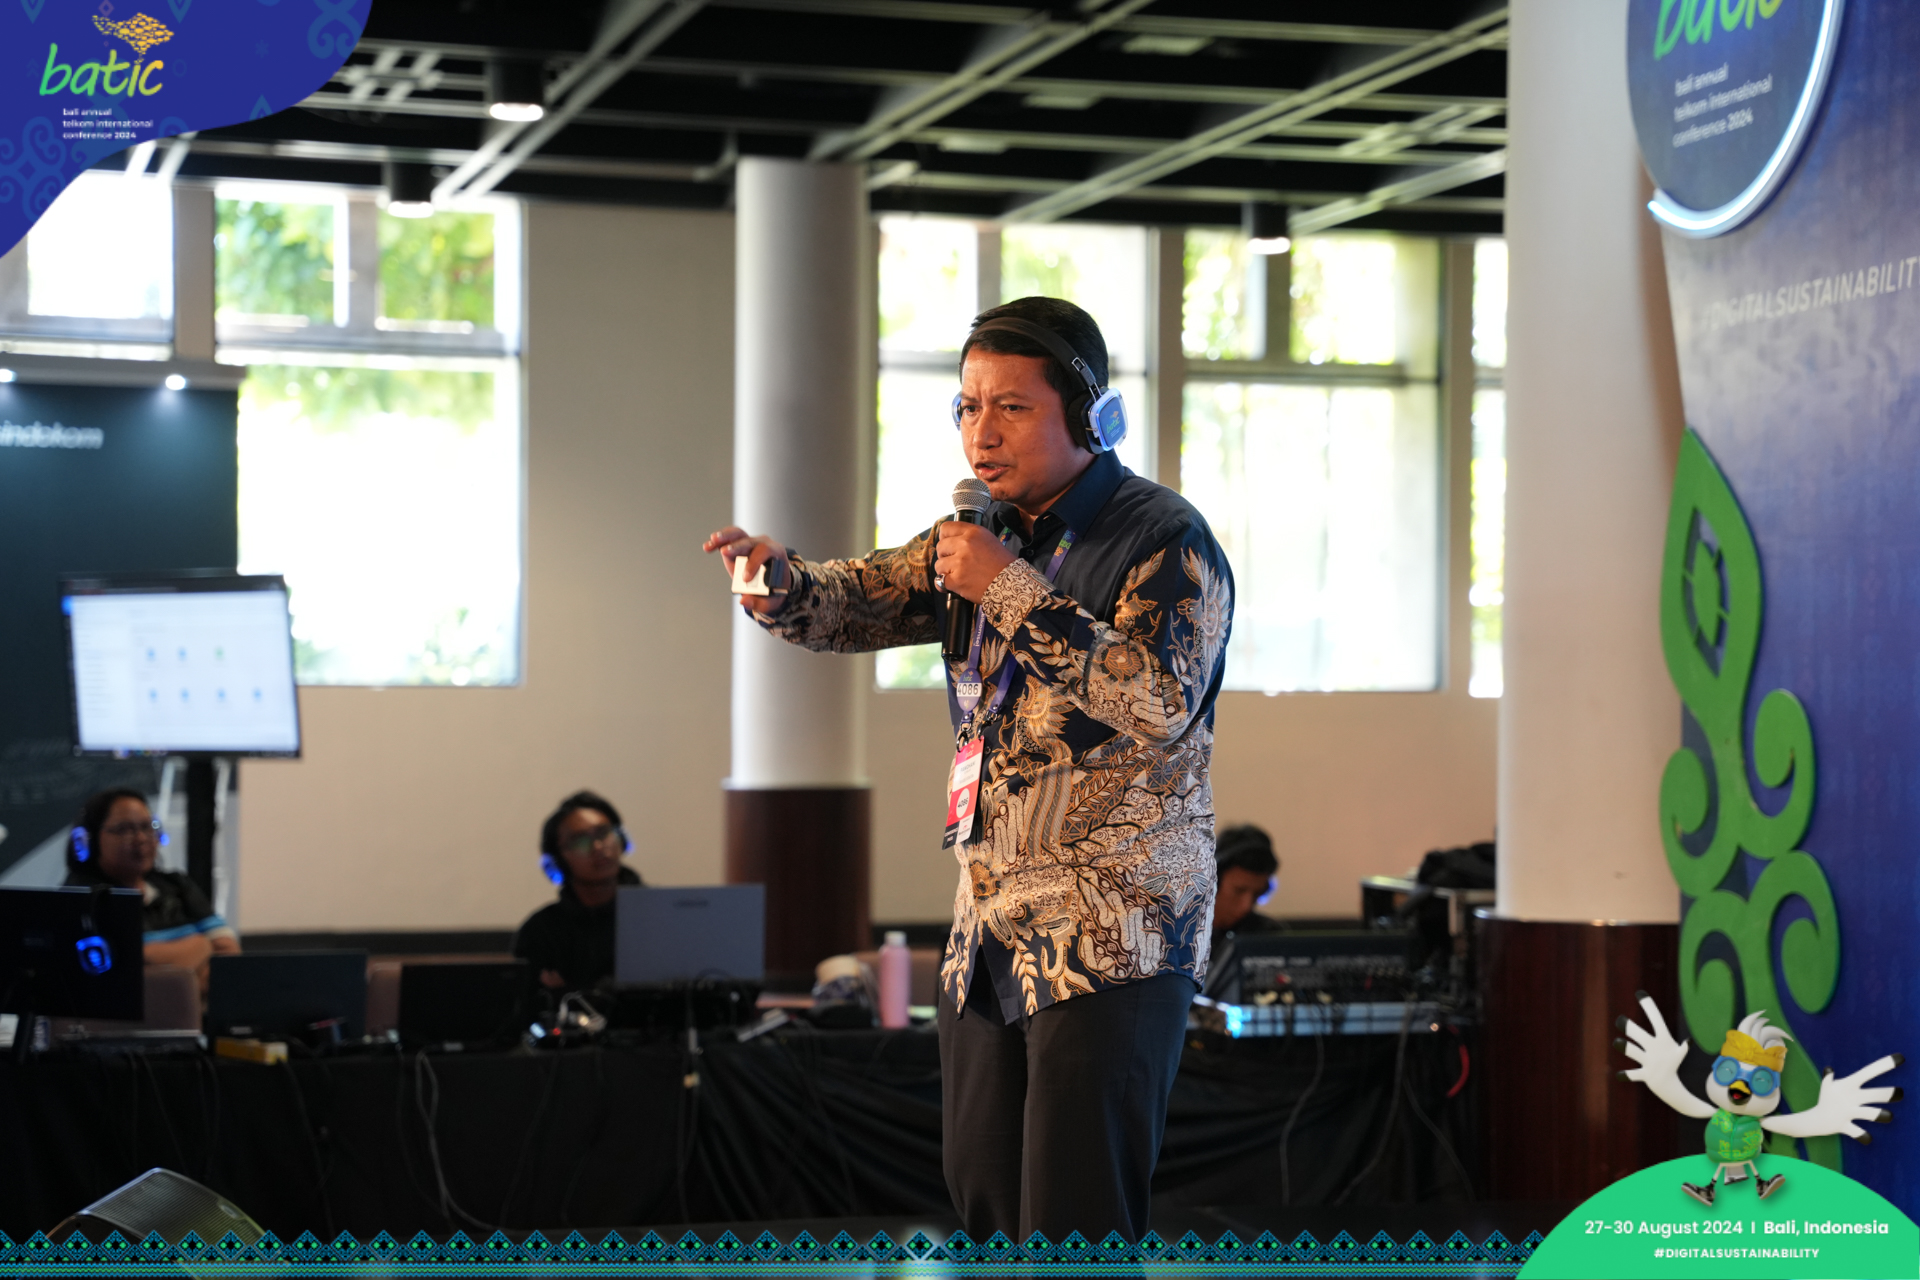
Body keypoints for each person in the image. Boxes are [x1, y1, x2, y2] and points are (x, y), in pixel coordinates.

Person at [704, 296, 1234, 1245]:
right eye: (967, 406)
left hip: (1113, 934)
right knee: (984, 1199)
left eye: (1011, 408)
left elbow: (1157, 701)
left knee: (1075, 1222)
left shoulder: (1163, 538)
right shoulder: (981, 532)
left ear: (1091, 416)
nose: (980, 434)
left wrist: (1007, 587)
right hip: (988, 932)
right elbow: (855, 601)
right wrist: (780, 583)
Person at [63, 787, 239, 994]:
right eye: (124, 829)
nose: (140, 838)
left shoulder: (176, 885)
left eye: (147, 827)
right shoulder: (81, 898)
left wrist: (176, 980)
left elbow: (228, 951)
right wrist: (201, 945)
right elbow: (125, 970)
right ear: (87, 840)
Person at [512, 790, 642, 993]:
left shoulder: (660, 914)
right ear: (558, 860)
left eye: (604, 833)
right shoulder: (541, 931)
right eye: (581, 841)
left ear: (622, 840)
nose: (598, 847)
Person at [1202, 824, 1280, 1002]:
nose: (1246, 906)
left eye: (1257, 894)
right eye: (1239, 891)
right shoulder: (1175, 934)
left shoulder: (1269, 933)